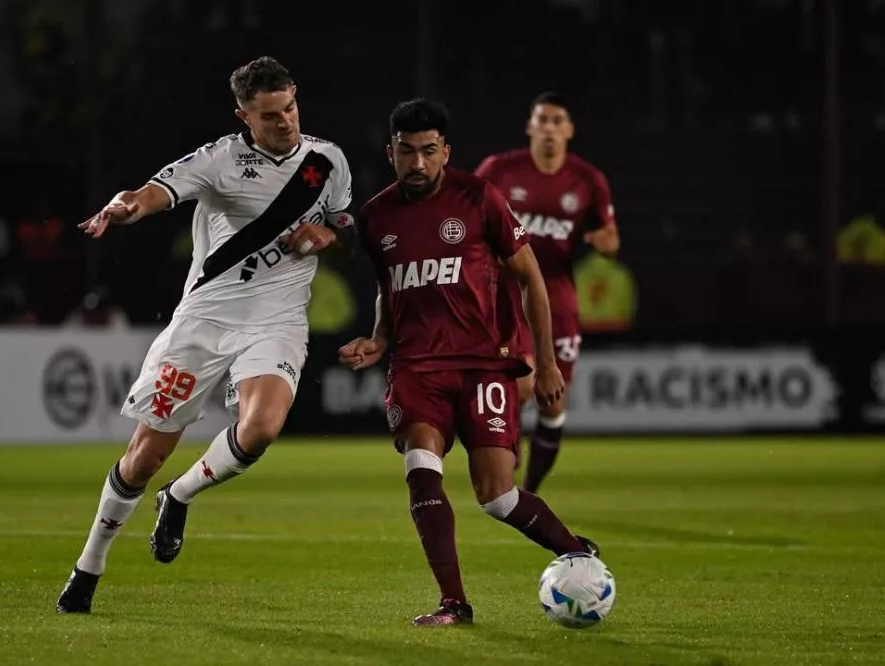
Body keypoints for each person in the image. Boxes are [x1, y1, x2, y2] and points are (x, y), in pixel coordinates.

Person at [56, 56, 354, 613]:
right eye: (269, 115)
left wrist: (325, 235)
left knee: (261, 427)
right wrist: (125, 208)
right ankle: (89, 565)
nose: (285, 121)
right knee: (144, 457)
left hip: (277, 321)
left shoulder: (327, 160)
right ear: (244, 116)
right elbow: (151, 193)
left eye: (289, 107)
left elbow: (343, 225)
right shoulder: (219, 160)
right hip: (204, 322)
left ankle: (181, 494)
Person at [339, 98, 598, 627]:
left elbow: (532, 279)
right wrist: (378, 337)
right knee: (420, 467)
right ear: (391, 152)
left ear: (445, 152)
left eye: (428, 152)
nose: (417, 163)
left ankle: (576, 553)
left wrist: (545, 364)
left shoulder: (480, 197)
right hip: (417, 367)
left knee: (498, 497)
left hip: (483, 364)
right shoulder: (375, 217)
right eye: (406, 152)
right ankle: (454, 603)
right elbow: (388, 287)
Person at [475, 92, 620, 493]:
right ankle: (504, 474)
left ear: (569, 130)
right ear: (530, 127)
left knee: (553, 404)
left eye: (558, 121)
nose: (550, 129)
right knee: (520, 388)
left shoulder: (588, 180)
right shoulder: (500, 170)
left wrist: (605, 242)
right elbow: (467, 212)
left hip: (557, 299)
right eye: (544, 120)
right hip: (506, 296)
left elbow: (611, 240)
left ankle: (531, 490)